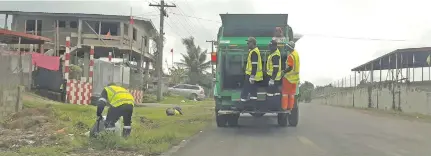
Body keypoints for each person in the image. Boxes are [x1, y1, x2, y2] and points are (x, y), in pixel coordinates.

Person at [240, 37, 263, 103]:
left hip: (251, 75)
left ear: (252, 43)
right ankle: (253, 106)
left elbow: (254, 66)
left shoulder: (254, 53)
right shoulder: (254, 51)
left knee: (245, 91)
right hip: (254, 76)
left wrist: (252, 76)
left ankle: (242, 104)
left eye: (248, 43)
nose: (247, 44)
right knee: (253, 91)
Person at [281, 41, 300, 112]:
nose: (286, 48)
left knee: (285, 93)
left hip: (288, 78)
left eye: (287, 46)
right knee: (292, 94)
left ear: (290, 47)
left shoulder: (290, 56)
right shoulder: (296, 54)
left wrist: (283, 72)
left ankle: (284, 107)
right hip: (295, 78)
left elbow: (290, 67)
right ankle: (290, 107)